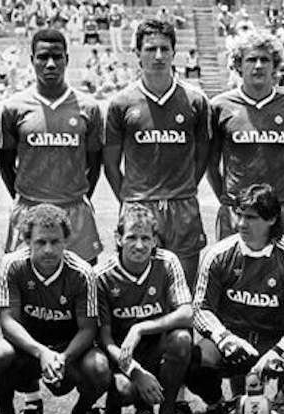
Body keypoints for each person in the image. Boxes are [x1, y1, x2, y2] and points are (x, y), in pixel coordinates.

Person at [187, 184, 284, 414]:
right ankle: (220, 405)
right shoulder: (219, 254)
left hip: (274, 343)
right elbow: (200, 308)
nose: (241, 224)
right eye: (240, 215)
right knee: (192, 360)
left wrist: (283, 348)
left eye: (251, 218)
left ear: (271, 219)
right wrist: (223, 338)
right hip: (234, 343)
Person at [104, 19, 211, 290]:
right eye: (151, 49)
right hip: (138, 205)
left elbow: (202, 157)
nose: (159, 56)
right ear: (137, 53)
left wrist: (184, 189)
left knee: (183, 293)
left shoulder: (195, 101)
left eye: (165, 49)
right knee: (136, 292)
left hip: (182, 206)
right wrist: (129, 200)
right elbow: (111, 164)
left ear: (175, 53)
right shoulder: (121, 102)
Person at [0, 204, 109, 414]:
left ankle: (81, 411)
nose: (48, 250)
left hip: (68, 349)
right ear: (27, 241)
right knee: (0, 353)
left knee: (99, 368)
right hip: (28, 348)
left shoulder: (82, 272)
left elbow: (88, 329)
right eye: (40, 242)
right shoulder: (11, 266)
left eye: (55, 242)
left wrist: (62, 358)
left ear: (66, 241)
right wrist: (41, 352)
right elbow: (8, 322)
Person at [0, 28, 104, 265]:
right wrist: (23, 196)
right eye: (43, 57)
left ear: (67, 59)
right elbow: (5, 162)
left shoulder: (89, 108)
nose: (50, 64)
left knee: (83, 290)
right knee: (26, 291)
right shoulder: (14, 108)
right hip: (29, 210)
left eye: (57, 57)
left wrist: (78, 196)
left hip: (75, 211)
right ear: (32, 60)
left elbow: (95, 162)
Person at [97, 204, 192, 414]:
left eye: (145, 238)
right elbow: (104, 338)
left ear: (155, 240)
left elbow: (187, 313)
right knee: (124, 390)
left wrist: (140, 328)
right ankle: (115, 406)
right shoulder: (102, 275)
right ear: (118, 238)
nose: (139, 245)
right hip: (122, 357)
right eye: (131, 237)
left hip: (157, 351)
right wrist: (135, 371)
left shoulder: (167, 262)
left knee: (182, 339)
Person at [208, 30, 284, 245]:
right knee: (234, 275)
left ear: (275, 65)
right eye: (251, 59)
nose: (258, 65)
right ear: (238, 65)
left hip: (281, 208)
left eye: (265, 60)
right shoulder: (220, 106)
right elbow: (210, 164)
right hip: (237, 209)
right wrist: (227, 198)